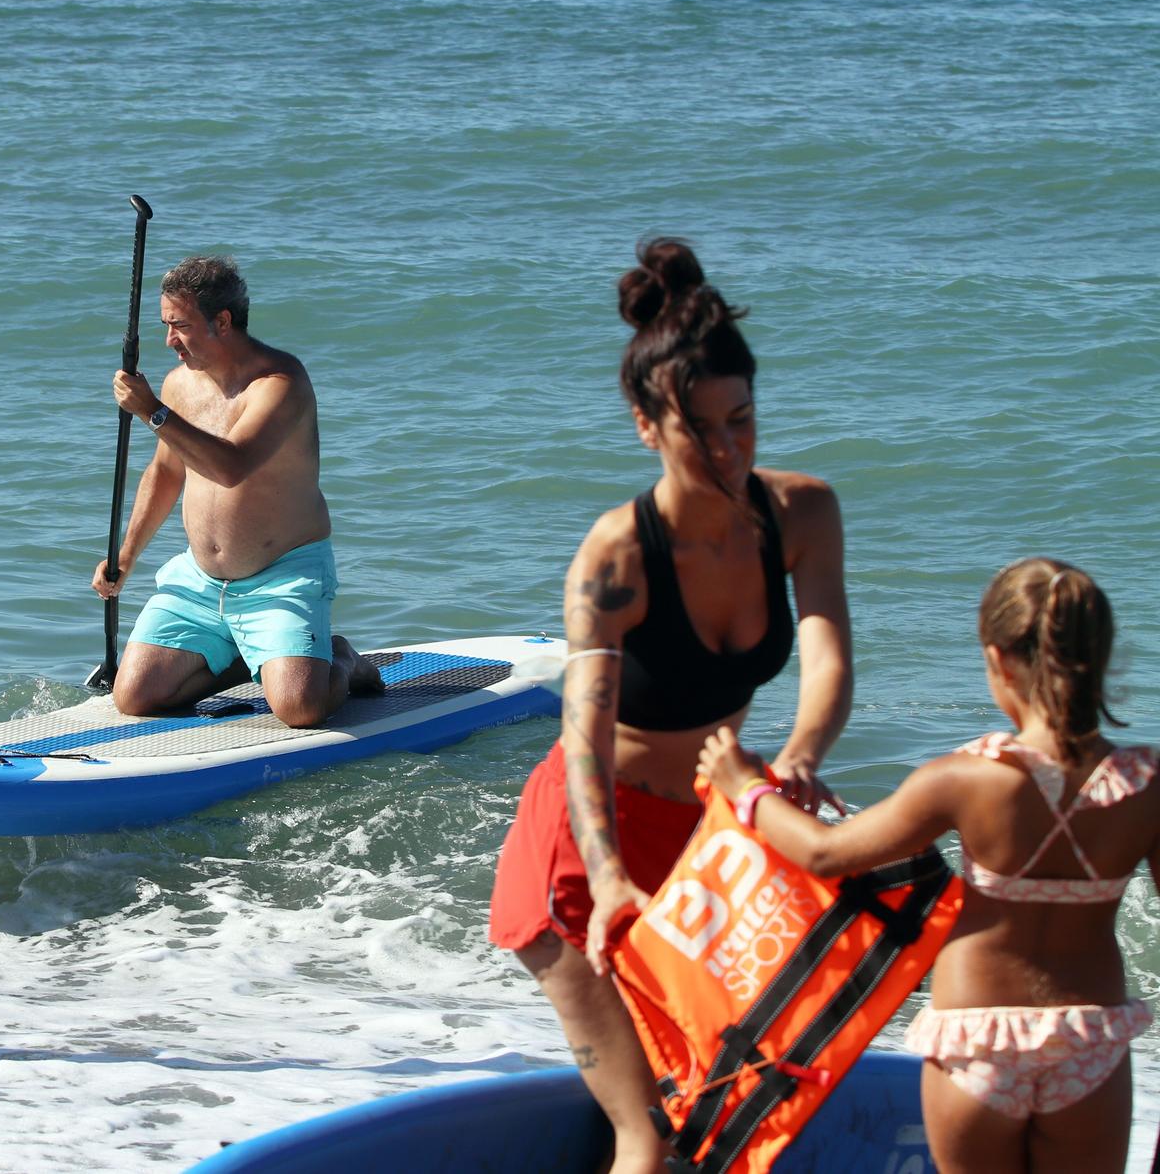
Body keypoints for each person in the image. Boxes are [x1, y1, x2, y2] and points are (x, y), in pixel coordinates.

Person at [487, 238, 853, 1171]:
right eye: (703, 429)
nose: (730, 449)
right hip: (587, 844)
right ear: (649, 426)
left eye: (745, 419)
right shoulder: (615, 558)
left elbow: (828, 661)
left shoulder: (802, 516)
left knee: (719, 1117)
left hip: (711, 844)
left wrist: (800, 756)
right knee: (649, 1138)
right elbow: (580, 737)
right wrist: (608, 879)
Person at [701, 558, 1152, 1174]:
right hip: (1089, 1044)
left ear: (997, 660)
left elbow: (823, 852)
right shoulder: (1146, 788)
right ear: (1100, 658)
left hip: (975, 1042)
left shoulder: (964, 780)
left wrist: (746, 787)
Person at [92, 254, 381, 728]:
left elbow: (234, 466)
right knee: (135, 696)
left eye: (180, 326)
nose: (169, 342)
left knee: (300, 709)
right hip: (200, 582)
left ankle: (342, 658)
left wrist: (152, 413)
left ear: (222, 321)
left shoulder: (280, 383)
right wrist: (125, 557)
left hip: (281, 577)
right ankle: (251, 658)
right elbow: (166, 473)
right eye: (165, 325)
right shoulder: (179, 384)